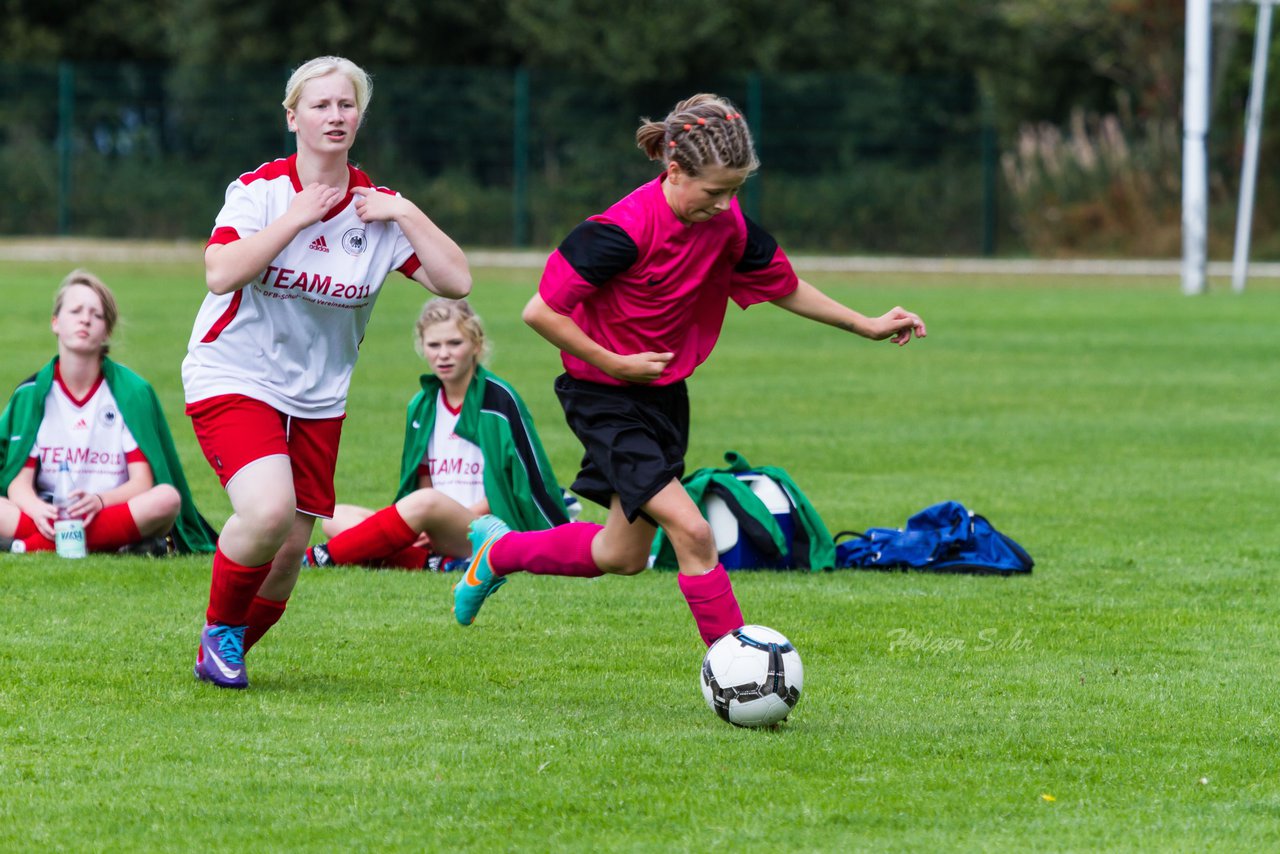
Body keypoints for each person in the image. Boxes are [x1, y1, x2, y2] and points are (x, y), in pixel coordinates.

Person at [452, 93, 926, 646]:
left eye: (736, 191)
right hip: (604, 396)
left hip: (664, 399)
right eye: (715, 191)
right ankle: (739, 669)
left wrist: (864, 323)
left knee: (622, 554)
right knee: (693, 531)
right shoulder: (619, 231)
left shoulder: (728, 225)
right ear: (674, 171)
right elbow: (541, 310)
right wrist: (615, 362)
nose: (727, 206)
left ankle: (499, 551)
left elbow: (785, 286)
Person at [183, 55, 471, 689]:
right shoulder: (260, 192)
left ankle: (222, 652)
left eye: (346, 105)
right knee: (266, 513)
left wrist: (406, 214)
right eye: (319, 105)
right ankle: (219, 633)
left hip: (318, 397)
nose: (334, 116)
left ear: (359, 117)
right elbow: (220, 272)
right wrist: (297, 217)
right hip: (233, 373)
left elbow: (457, 281)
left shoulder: (377, 209)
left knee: (288, 554)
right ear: (293, 117)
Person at [303, 297, 569, 571]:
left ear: (476, 345)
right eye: (434, 345)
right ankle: (438, 564)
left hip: (486, 527)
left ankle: (316, 558)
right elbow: (423, 479)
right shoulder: (422, 405)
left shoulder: (499, 401)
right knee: (334, 518)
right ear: (423, 348)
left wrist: (434, 519)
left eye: (455, 343)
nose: (443, 354)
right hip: (431, 523)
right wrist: (426, 525)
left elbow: (511, 485)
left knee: (423, 504)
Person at [0, 270, 217, 556]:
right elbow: (18, 483)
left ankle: (25, 547)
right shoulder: (33, 394)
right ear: (55, 322)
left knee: (166, 499)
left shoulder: (130, 392)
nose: (85, 319)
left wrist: (99, 501)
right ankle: (114, 543)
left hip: (109, 509)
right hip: (48, 514)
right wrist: (39, 509)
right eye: (75, 310)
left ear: (107, 331)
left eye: (97, 315)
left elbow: (142, 481)